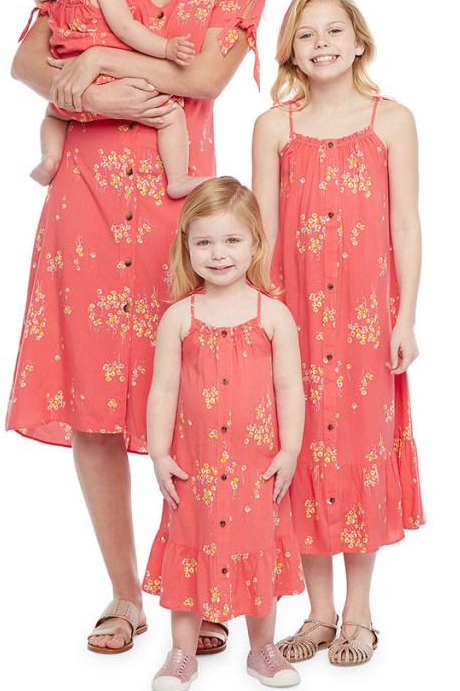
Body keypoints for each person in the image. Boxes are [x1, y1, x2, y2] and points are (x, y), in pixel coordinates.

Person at [6, 0, 267, 657]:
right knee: (92, 403)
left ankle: (206, 582)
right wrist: (88, 95)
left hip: (177, 203)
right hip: (82, 199)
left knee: (195, 391)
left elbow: (206, 74)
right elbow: (25, 59)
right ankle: (125, 594)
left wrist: (105, 67)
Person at [252, 0, 424, 666]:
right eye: (306, 34)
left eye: (333, 31)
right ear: (291, 49)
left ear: (358, 40)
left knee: (357, 453)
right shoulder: (275, 127)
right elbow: (258, 233)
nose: (320, 43)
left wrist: (405, 315)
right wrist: (262, 320)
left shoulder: (392, 121)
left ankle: (359, 610)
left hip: (363, 321)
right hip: (294, 319)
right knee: (299, 453)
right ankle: (317, 611)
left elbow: (406, 224)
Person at [144, 177, 305, 690]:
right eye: (204, 242)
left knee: (259, 549)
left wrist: (290, 450)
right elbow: (164, 390)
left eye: (232, 240)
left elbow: (290, 389)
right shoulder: (178, 318)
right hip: (195, 467)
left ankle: (263, 650)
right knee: (188, 552)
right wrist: (159, 453)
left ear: (256, 242)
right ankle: (180, 654)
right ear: (186, 247)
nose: (218, 254)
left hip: (257, 468)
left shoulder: (273, 315)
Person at [28, 0, 204, 198]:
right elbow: (126, 29)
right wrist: (166, 48)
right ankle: (177, 178)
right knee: (171, 113)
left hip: (70, 87)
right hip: (111, 81)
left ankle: (49, 157)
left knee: (52, 116)